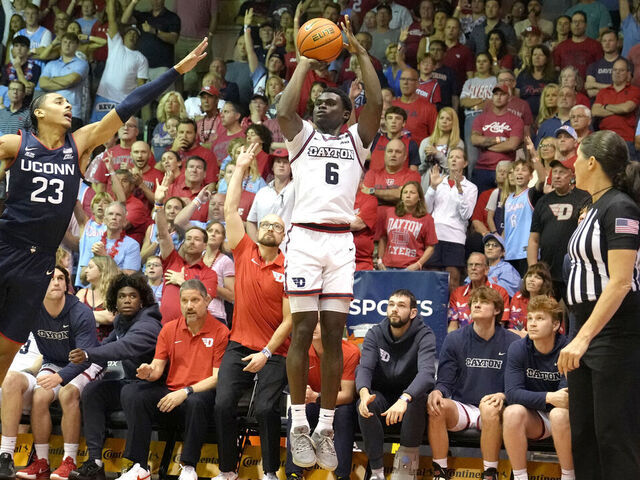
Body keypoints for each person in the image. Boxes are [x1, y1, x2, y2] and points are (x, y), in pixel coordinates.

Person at [0, 37, 208, 385]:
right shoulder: (15, 143)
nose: (68, 104)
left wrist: (176, 70)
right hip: (7, 246)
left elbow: (128, 105)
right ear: (39, 112)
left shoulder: (78, 144)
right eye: (58, 101)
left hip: (40, 261)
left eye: (68, 101)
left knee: (6, 349)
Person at [277, 16, 382, 472]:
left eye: (330, 102)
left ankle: (325, 427)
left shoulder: (357, 141)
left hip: (340, 244)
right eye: (317, 102)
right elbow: (284, 110)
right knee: (302, 332)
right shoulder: (301, 139)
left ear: (344, 112)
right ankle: (299, 423)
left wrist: (359, 52)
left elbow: (376, 102)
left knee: (335, 337)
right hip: (304, 238)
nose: (321, 106)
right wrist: (304, 61)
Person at [557, 130, 640, 478]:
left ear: (591, 162)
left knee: (613, 436)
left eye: (576, 158)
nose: (571, 166)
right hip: (585, 327)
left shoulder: (620, 207)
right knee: (585, 435)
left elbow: (620, 281)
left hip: (614, 331)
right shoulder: (592, 206)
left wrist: (582, 337)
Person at [215, 143, 291, 480]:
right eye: (266, 225)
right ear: (258, 229)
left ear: (283, 235)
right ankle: (227, 470)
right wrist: (241, 167)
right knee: (222, 404)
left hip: (275, 351)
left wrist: (266, 352)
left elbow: (291, 319)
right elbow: (230, 209)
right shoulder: (243, 250)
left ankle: (271, 472)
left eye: (277, 227)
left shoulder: (290, 267)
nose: (270, 229)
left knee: (265, 408)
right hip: (238, 344)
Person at [117, 279, 229, 480]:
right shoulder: (169, 329)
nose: (189, 306)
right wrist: (148, 371)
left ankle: (188, 467)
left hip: (201, 395)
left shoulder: (221, 332)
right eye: (185, 301)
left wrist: (185, 391)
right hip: (172, 394)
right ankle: (139, 466)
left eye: (195, 300)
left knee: (196, 401)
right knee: (132, 392)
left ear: (207, 300)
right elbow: (157, 369)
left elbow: (217, 378)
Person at [0, 267, 101, 480]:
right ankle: (42, 462)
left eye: (61, 278)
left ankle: (69, 460)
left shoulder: (81, 312)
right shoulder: (33, 310)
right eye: (51, 279)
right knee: (39, 395)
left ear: (66, 285)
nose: (56, 282)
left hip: (87, 362)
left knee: (67, 393)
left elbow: (85, 356)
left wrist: (60, 377)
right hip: (54, 362)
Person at [66, 272, 162, 480]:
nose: (127, 300)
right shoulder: (121, 320)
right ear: (114, 301)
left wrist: (88, 354)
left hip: (155, 387)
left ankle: (138, 466)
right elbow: (105, 347)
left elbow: (124, 348)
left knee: (130, 392)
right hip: (131, 383)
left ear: (142, 300)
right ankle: (95, 461)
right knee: (93, 391)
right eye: (122, 296)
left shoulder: (149, 323)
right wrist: (69, 369)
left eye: (133, 296)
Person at [429, 286, 519, 480]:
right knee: (437, 407)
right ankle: (440, 472)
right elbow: (445, 381)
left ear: (497, 310)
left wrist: (503, 395)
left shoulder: (513, 342)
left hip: (495, 407)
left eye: (483, 302)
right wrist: (438, 392)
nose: (476, 305)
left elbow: (518, 384)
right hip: (463, 406)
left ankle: (490, 473)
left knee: (489, 409)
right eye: (474, 302)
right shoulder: (454, 339)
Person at [356, 289, 436, 480]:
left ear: (413, 312)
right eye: (391, 304)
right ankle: (376, 472)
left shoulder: (424, 334)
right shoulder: (375, 333)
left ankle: (406, 470)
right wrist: (363, 393)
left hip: (410, 400)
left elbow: (427, 374)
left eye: (401, 306)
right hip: (383, 396)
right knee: (367, 403)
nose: (394, 309)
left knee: (417, 399)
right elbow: (364, 367)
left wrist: (404, 398)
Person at [503, 295, 574, 480]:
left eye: (540, 318)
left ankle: (568, 475)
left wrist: (547, 399)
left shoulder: (568, 349)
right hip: (536, 416)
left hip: (566, 417)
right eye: (530, 318)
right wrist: (548, 397)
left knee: (559, 414)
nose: (532, 324)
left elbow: (565, 398)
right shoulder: (518, 348)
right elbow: (512, 394)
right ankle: (520, 477)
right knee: (511, 413)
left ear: (556, 325)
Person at [285, 322, 360, 480]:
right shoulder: (300, 350)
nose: (314, 326)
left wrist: (316, 396)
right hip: (314, 404)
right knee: (296, 411)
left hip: (338, 405)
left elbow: (347, 395)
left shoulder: (350, 352)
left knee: (345, 413)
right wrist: (303, 393)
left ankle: (342, 476)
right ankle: (294, 473)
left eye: (319, 322)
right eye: (312, 321)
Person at [153, 177, 218, 325]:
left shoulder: (209, 274)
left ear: (205, 245)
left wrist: (183, 282)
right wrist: (159, 204)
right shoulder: (172, 260)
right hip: (165, 328)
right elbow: (163, 235)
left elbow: (205, 300)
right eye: (188, 238)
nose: (191, 242)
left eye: (197, 239)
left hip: (193, 329)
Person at [528, 159, 589, 299]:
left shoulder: (584, 198)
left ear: (572, 175)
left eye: (562, 172)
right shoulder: (543, 201)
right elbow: (533, 239)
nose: (557, 176)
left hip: (575, 268)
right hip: (548, 270)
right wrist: (533, 269)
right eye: (554, 172)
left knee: (575, 310)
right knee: (544, 309)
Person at [425, 148, 478, 290]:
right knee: (432, 279)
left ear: (465, 163)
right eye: (451, 157)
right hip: (435, 235)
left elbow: (466, 215)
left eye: (458, 157)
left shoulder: (471, 187)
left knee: (453, 280)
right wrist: (432, 187)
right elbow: (426, 209)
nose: (453, 160)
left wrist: (460, 192)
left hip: (455, 237)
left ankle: (454, 305)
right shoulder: (438, 181)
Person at [471, 84, 524, 193]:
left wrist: (485, 145)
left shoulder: (516, 120)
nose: (498, 97)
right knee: (482, 202)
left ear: (509, 98)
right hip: (482, 169)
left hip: (505, 169)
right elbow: (474, 140)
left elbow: (512, 145)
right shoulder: (481, 118)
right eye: (496, 94)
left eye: (502, 94)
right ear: (492, 97)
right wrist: (500, 139)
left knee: (505, 201)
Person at [377, 181, 437, 271]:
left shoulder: (427, 219)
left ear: (419, 197)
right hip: (388, 266)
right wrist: (380, 260)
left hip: (411, 268)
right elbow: (383, 238)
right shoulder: (389, 213)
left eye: (412, 192)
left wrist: (418, 264)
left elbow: (430, 247)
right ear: (401, 196)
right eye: (405, 192)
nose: (408, 195)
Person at [38, 33, 89, 130]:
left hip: (72, 113)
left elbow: (70, 80)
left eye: (71, 43)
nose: (67, 45)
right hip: (51, 113)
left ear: (77, 45)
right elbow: (42, 84)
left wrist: (51, 79)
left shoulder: (82, 63)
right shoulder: (51, 64)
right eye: (65, 42)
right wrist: (65, 82)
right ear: (61, 44)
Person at [448, 253, 510, 331]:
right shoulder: (457, 293)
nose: (473, 268)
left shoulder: (500, 292)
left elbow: (500, 325)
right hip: (462, 337)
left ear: (486, 270)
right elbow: (453, 324)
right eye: (470, 265)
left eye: (477, 265)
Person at [592, 58, 640, 158]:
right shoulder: (603, 92)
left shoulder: (635, 91)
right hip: (605, 139)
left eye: (621, 70)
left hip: (626, 139)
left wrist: (605, 106)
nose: (617, 73)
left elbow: (626, 108)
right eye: (615, 70)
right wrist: (619, 109)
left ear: (628, 74)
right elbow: (595, 111)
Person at [89, 202, 142, 274]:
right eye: (110, 214)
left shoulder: (132, 245)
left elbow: (129, 275)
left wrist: (105, 257)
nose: (114, 217)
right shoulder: (94, 242)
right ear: (104, 220)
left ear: (124, 222)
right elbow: (83, 274)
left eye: (118, 215)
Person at [75, 256, 119, 341]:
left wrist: (83, 314)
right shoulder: (82, 293)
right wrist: (99, 316)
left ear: (103, 270)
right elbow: (74, 316)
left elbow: (110, 317)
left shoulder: (115, 293)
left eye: (90, 267)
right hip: (83, 342)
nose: (86, 271)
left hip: (108, 344)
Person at [201, 221, 235, 325]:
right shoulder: (197, 257)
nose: (213, 234)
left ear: (222, 238)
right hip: (194, 312)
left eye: (217, 232)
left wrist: (205, 284)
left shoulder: (226, 261)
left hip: (215, 314)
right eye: (210, 231)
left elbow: (232, 296)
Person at [552, 11, 603, 80]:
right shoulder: (561, 47)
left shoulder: (595, 45)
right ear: (571, 25)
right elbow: (556, 70)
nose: (577, 24)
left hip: (588, 85)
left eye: (580, 21)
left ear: (586, 25)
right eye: (574, 21)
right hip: (566, 85)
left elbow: (600, 70)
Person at [507, 263, 554, 333]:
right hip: (515, 336)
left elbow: (552, 331)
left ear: (544, 283)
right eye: (529, 276)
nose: (531, 279)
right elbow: (510, 325)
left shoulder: (550, 303)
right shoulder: (517, 297)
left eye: (537, 277)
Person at [481, 233, 521, 297]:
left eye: (495, 245)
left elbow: (508, 292)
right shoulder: (480, 267)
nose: (490, 248)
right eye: (487, 245)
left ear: (503, 252)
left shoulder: (507, 269)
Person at [585, 29, 621, 99]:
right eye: (604, 41)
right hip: (597, 104)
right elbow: (590, 93)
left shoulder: (625, 64)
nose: (607, 43)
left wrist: (594, 84)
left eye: (610, 40)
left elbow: (622, 89)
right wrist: (612, 88)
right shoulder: (593, 66)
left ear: (617, 42)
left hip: (618, 103)